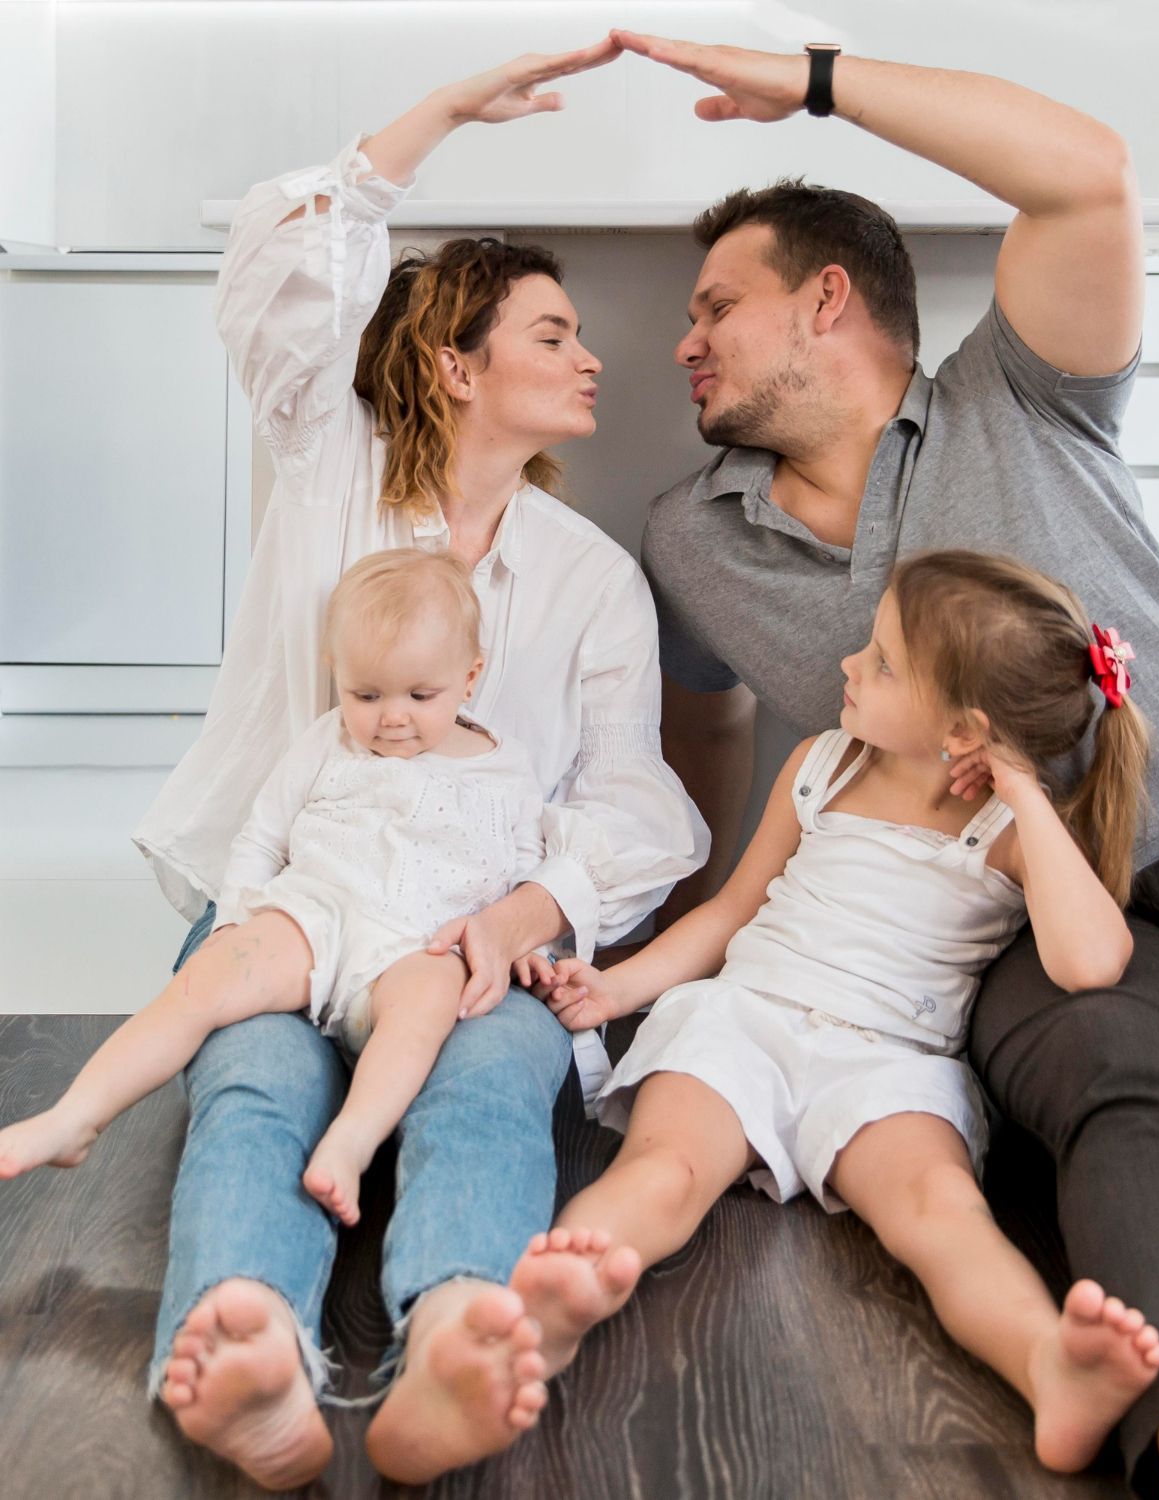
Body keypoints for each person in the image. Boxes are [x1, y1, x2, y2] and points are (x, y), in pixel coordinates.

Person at [615, 28, 1159, 1500]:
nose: (683, 341)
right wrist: (691, 939)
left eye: (717, 305)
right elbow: (701, 737)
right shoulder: (691, 536)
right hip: (1022, 907)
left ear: (825, 299)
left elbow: (1088, 175)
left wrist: (815, 80)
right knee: (1135, 1104)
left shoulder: (1010, 395)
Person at [123, 40, 708, 1490]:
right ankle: (243, 1339)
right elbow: (284, 263)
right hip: (292, 905)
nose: (592, 360)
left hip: (469, 932)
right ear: (458, 363)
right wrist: (441, 114)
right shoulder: (326, 460)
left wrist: (530, 913)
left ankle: (454, 1325)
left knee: (494, 1078)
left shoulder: (590, 578)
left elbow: (637, 797)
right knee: (253, 1079)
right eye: (554, 334)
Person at [512, 551, 1159, 1474]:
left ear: (963, 729)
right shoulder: (822, 766)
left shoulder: (1011, 832)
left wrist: (1023, 788)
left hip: (886, 1064)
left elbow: (1093, 958)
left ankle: (1047, 1363)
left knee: (939, 1209)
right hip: (741, 1021)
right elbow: (732, 911)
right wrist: (618, 989)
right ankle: (562, 1296)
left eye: (884, 660)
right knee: (666, 1168)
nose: (851, 665)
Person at [4, 549, 566, 1227]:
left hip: (421, 942)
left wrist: (524, 945)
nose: (391, 717)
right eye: (366, 695)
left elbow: (524, 876)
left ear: (469, 677)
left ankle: (351, 1143)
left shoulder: (506, 770)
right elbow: (263, 838)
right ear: (339, 680)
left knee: (427, 1010)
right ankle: (76, 1116)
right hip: (314, 915)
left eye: (420, 696)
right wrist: (233, 926)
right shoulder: (327, 743)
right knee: (201, 986)